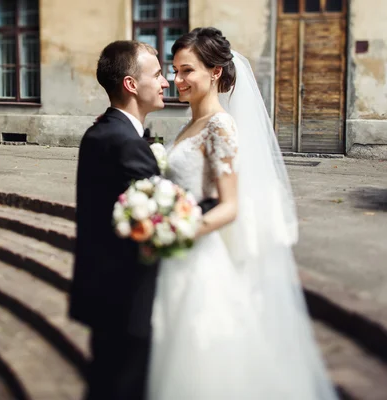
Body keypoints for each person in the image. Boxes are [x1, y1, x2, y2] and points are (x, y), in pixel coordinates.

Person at [146, 27, 339, 400]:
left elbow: (230, 207)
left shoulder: (221, 125)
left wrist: (172, 230)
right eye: (174, 70)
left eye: (187, 70)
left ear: (214, 72)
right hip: (177, 259)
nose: (176, 79)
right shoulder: (188, 125)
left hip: (200, 258)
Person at [69, 40, 169, 400]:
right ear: (131, 84)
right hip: (127, 302)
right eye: (157, 74)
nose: (166, 82)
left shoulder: (104, 131)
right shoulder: (124, 142)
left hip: (103, 296)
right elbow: (159, 216)